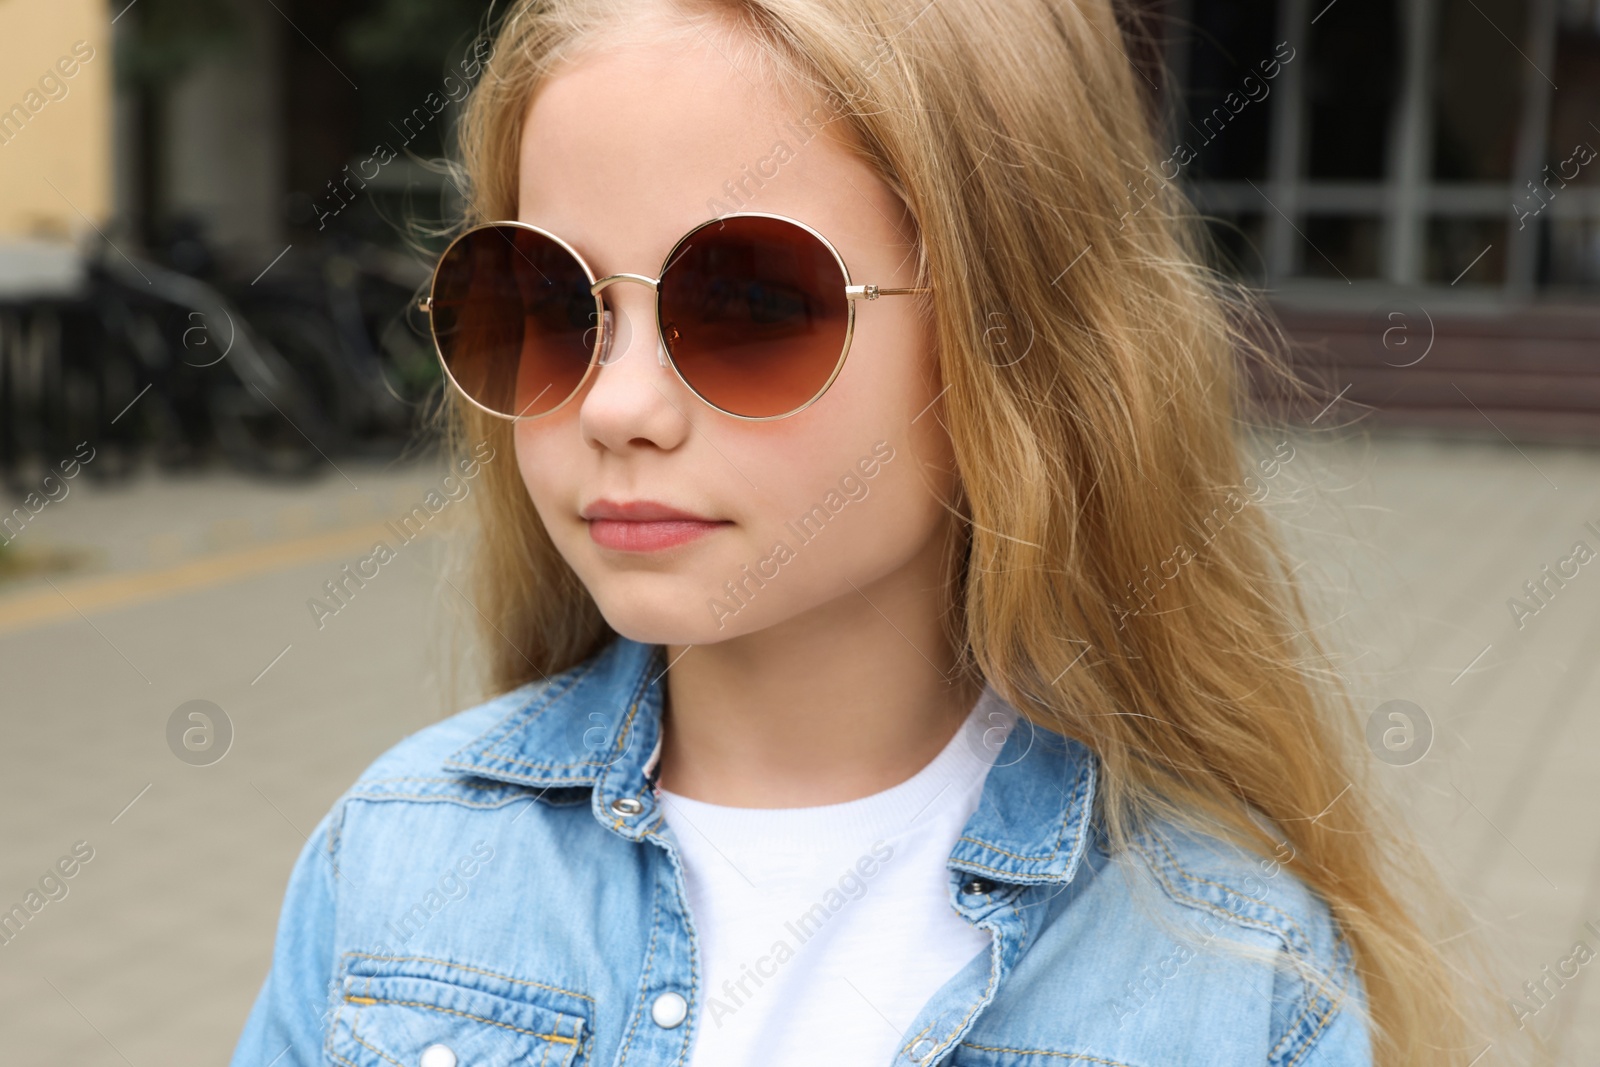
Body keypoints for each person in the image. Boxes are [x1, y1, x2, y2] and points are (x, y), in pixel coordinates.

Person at [229, 1, 1494, 1064]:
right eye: (548, 301)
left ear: (1015, 343)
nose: (615, 404)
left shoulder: (1231, 973)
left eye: (748, 300)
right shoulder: (391, 862)